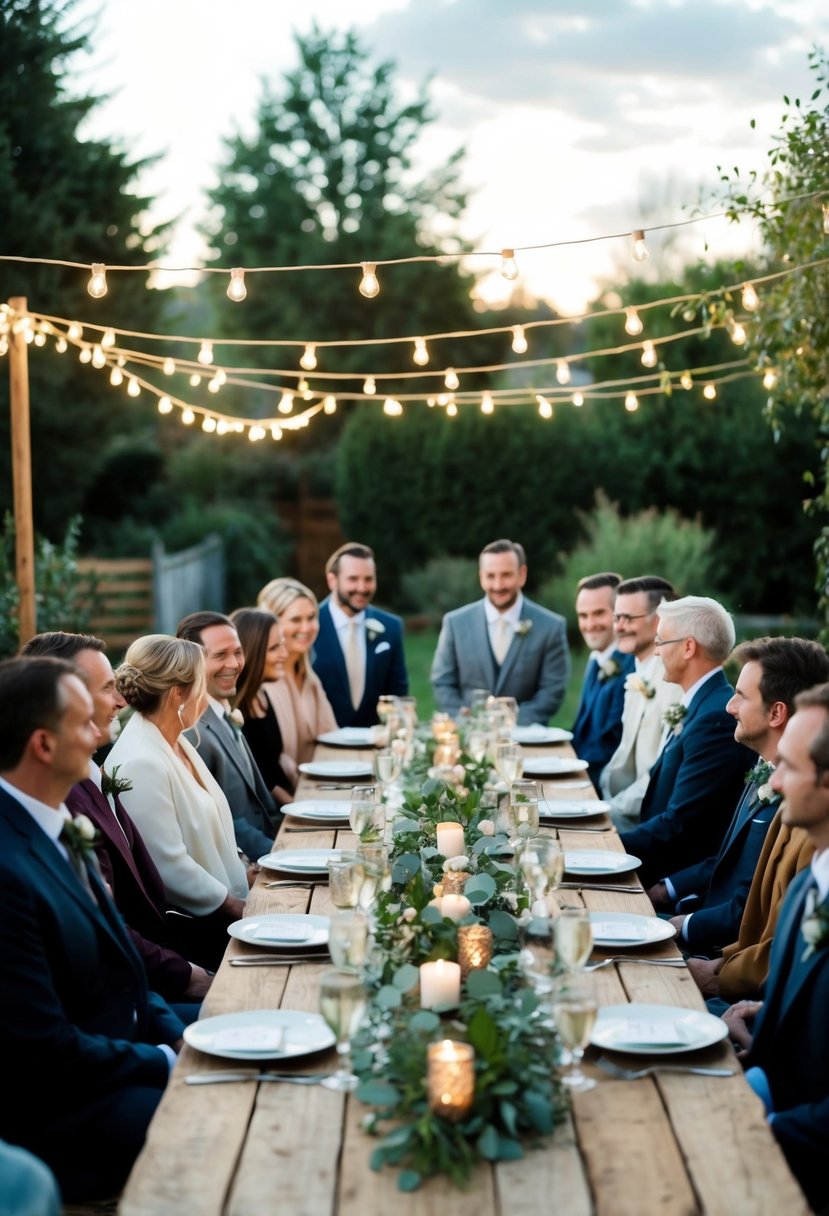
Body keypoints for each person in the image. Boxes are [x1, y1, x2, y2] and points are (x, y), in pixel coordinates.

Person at [0, 656, 184, 1201]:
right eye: (84, 722)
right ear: (43, 745)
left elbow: (123, 968)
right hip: (62, 1112)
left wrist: (172, 1031)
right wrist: (166, 1061)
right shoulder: (7, 870)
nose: (102, 732)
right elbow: (43, 1050)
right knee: (219, 1114)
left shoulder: (58, 822)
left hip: (119, 1052)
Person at [20, 630, 211, 1005]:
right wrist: (188, 976)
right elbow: (109, 930)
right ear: (63, 697)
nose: (122, 700)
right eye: (108, 688)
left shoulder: (94, 774)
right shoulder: (62, 795)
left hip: (165, 956)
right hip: (135, 989)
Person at [722, 683, 829, 1213]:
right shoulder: (816, 881)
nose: (775, 780)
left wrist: (758, 1125)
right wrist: (769, 1017)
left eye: (789, 766)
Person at [654, 637, 829, 957]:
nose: (728, 706)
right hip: (706, 924)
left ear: (776, 712)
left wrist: (682, 927)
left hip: (725, 953)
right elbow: (724, 862)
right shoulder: (763, 768)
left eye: (740, 696)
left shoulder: (804, 798)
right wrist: (668, 889)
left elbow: (751, 908)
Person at [107, 635, 250, 971]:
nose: (208, 696)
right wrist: (240, 910)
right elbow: (168, 868)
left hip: (229, 912)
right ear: (178, 694)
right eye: (202, 684)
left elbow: (208, 824)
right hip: (197, 937)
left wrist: (246, 868)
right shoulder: (141, 762)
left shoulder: (177, 742)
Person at [619, 596, 753, 886]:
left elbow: (680, 825)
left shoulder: (714, 719)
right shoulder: (701, 704)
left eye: (660, 642)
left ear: (688, 647)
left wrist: (608, 847)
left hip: (671, 879)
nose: (656, 653)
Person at [176, 611, 282, 856]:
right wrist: (277, 854)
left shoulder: (224, 713)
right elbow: (217, 822)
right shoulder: (192, 732)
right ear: (191, 661)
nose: (234, 664)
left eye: (237, 652)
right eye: (220, 655)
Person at [431, 538, 570, 725]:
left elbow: (552, 690)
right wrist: (462, 716)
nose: (498, 585)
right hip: (470, 737)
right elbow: (443, 682)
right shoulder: (455, 623)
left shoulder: (551, 627)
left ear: (522, 574)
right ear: (481, 577)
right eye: (490, 576)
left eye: (506, 575)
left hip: (525, 739)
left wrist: (513, 722)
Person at [599, 575, 680, 829]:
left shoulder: (673, 682)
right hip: (618, 801)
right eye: (617, 618)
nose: (619, 627)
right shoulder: (636, 673)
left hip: (648, 818)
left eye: (628, 618)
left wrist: (605, 811)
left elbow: (659, 775)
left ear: (659, 620)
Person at [313, 542, 408, 727]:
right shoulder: (308, 626)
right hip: (321, 741)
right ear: (332, 580)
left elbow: (398, 693)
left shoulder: (391, 626)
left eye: (368, 579)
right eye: (353, 579)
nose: (362, 588)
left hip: (374, 742)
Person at [257, 577, 338, 779]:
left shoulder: (309, 678)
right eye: (295, 620)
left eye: (311, 617)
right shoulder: (262, 686)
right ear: (271, 624)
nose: (306, 628)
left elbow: (333, 737)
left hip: (319, 785)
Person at [570, 572, 633, 788]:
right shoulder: (596, 659)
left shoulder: (631, 667)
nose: (589, 624)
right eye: (583, 615)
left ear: (620, 614)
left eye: (598, 613)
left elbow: (611, 743)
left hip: (600, 785)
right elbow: (582, 730)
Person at [229, 606, 294, 804]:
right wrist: (297, 807)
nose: (285, 653)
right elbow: (264, 781)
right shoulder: (236, 711)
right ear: (252, 652)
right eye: (274, 648)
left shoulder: (262, 695)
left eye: (282, 645)